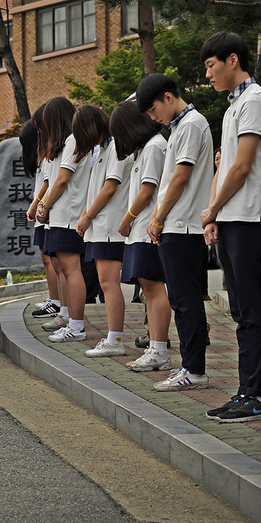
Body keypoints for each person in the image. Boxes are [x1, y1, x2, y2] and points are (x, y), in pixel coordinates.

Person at [198, 32, 261, 423]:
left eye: (211, 66)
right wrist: (215, 215)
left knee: (252, 307)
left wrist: (213, 207)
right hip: (234, 218)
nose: (208, 75)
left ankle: (259, 396)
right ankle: (246, 391)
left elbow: (243, 166)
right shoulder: (233, 107)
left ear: (232, 60)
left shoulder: (255, 101)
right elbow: (224, 166)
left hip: (254, 217)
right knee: (240, 310)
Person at [138, 74, 214, 391]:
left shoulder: (192, 124)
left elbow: (180, 178)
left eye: (154, 110)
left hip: (184, 226)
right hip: (176, 225)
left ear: (169, 97)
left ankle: (194, 370)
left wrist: (157, 218)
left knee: (185, 301)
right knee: (182, 300)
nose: (154, 118)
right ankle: (189, 366)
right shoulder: (181, 127)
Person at [108, 102, 172, 373]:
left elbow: (148, 190)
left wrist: (127, 219)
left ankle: (159, 349)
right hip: (140, 230)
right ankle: (155, 348)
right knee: (148, 288)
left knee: (154, 288)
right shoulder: (145, 149)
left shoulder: (155, 146)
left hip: (146, 228)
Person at [73, 106, 131, 357]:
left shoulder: (116, 147)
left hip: (108, 226)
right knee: (107, 282)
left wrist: (86, 216)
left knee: (109, 282)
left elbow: (109, 189)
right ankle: (113, 337)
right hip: (100, 227)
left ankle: (115, 339)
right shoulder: (102, 150)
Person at [34, 98, 89, 343]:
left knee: (71, 269)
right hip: (60, 216)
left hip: (69, 216)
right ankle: (69, 319)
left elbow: (63, 180)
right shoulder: (62, 144)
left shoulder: (73, 140)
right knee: (65, 270)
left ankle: (76, 326)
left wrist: (44, 204)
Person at [21, 113, 62, 321]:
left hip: (45, 212)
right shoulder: (42, 157)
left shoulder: (48, 155)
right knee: (47, 259)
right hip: (42, 212)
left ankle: (57, 302)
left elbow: (47, 184)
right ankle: (55, 300)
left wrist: (37, 204)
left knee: (51, 259)